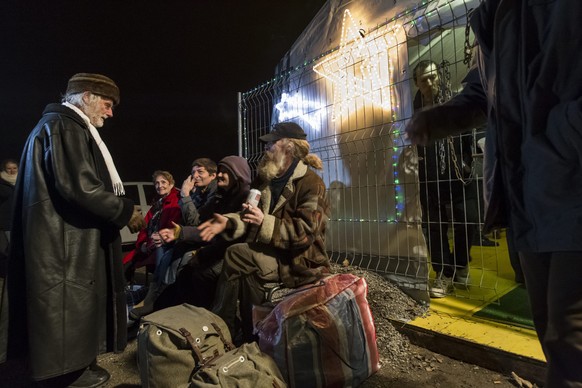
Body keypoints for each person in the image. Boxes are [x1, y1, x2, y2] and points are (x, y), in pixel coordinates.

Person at [405, 2, 582, 385]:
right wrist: (439, 118)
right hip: (528, 194)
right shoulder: (493, 15)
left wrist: (561, 137)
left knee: (570, 341)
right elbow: (482, 93)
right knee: (550, 327)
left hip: (570, 185)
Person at [1, 73, 145, 387]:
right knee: (65, 309)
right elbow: (80, 187)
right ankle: (66, 375)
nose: (110, 113)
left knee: (70, 309)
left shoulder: (58, 125)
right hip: (61, 244)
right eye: (107, 104)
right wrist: (125, 211)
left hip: (60, 238)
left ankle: (75, 367)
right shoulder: (65, 126)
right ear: (87, 96)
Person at [198, 122, 331, 343]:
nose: (266, 149)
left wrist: (265, 223)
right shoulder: (265, 180)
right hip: (266, 253)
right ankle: (251, 332)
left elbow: (305, 233)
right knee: (244, 266)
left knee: (237, 254)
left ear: (288, 147)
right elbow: (249, 217)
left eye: (271, 144)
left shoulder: (311, 184)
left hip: (297, 260)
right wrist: (228, 223)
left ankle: (223, 327)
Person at [412, 60, 478, 298]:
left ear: (439, 76)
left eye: (433, 76)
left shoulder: (454, 101)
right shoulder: (415, 111)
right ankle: (444, 273)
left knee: (467, 219)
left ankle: (461, 264)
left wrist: (468, 162)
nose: (430, 83)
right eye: (424, 79)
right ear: (417, 84)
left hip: (458, 172)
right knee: (435, 225)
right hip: (429, 176)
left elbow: (469, 133)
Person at [158, 155, 251, 309]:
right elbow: (205, 227)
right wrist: (178, 232)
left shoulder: (245, 198)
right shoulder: (221, 197)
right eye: (219, 171)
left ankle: (206, 316)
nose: (219, 174)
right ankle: (165, 306)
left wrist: (185, 196)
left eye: (225, 172)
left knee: (199, 272)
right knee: (177, 261)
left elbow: (227, 237)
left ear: (237, 174)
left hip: (229, 251)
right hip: (213, 245)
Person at [124, 170, 182, 319]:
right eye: (157, 183)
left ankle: (152, 299)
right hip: (150, 245)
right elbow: (144, 227)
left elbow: (170, 227)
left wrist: (149, 245)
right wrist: (142, 244)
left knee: (160, 255)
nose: (159, 185)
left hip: (163, 244)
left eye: (163, 182)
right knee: (125, 263)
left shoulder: (174, 201)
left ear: (171, 184)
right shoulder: (157, 204)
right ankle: (122, 296)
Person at [179, 158, 217, 225]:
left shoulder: (216, 194)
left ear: (213, 176)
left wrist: (185, 195)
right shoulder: (197, 193)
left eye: (200, 172)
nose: (195, 176)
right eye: (193, 172)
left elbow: (194, 222)